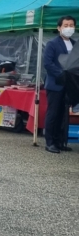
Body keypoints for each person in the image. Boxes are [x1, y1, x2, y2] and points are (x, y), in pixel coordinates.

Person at [43, 15, 75, 154]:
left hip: (69, 85)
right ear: (59, 28)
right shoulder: (52, 44)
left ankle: (60, 141)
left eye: (71, 25)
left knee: (63, 114)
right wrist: (61, 74)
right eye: (66, 25)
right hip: (56, 84)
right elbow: (48, 63)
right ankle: (50, 142)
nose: (69, 28)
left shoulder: (74, 43)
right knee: (53, 113)